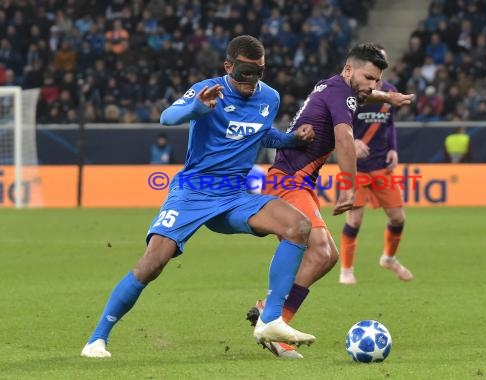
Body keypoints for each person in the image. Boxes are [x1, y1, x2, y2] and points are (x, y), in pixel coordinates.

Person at [81, 35, 317, 358]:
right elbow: (167, 117)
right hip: (192, 192)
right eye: (245, 73)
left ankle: (270, 319)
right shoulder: (208, 90)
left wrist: (292, 140)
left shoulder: (270, 98)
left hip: (234, 195)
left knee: (299, 227)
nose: (252, 81)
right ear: (228, 66)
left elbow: (264, 136)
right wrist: (196, 107)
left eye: (259, 73)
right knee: (153, 262)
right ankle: (97, 339)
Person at [246, 43, 414, 358]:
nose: (373, 85)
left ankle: (271, 312)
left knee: (326, 256)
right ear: (349, 69)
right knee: (322, 251)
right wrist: (348, 186)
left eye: (377, 80)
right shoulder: (342, 94)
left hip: (297, 180)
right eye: (369, 77)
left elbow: (361, 95)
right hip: (289, 180)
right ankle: (273, 324)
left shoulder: (334, 86)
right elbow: (345, 140)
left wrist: (387, 97)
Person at [339, 46, 413, 285]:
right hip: (357, 167)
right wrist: (353, 142)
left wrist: (393, 148)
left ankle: (389, 258)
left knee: (398, 218)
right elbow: (338, 125)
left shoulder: (389, 92)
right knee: (355, 220)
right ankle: (347, 270)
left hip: (382, 165)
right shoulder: (354, 93)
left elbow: (389, 124)